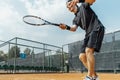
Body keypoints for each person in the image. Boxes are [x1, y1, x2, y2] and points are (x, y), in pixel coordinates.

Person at [59, 0, 105, 80]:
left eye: (69, 4)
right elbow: (73, 28)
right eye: (67, 7)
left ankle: (89, 76)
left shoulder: (83, 6)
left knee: (88, 51)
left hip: (96, 28)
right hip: (88, 33)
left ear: (74, 3)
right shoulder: (75, 19)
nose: (69, 7)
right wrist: (66, 27)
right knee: (82, 56)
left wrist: (78, 0)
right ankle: (95, 76)